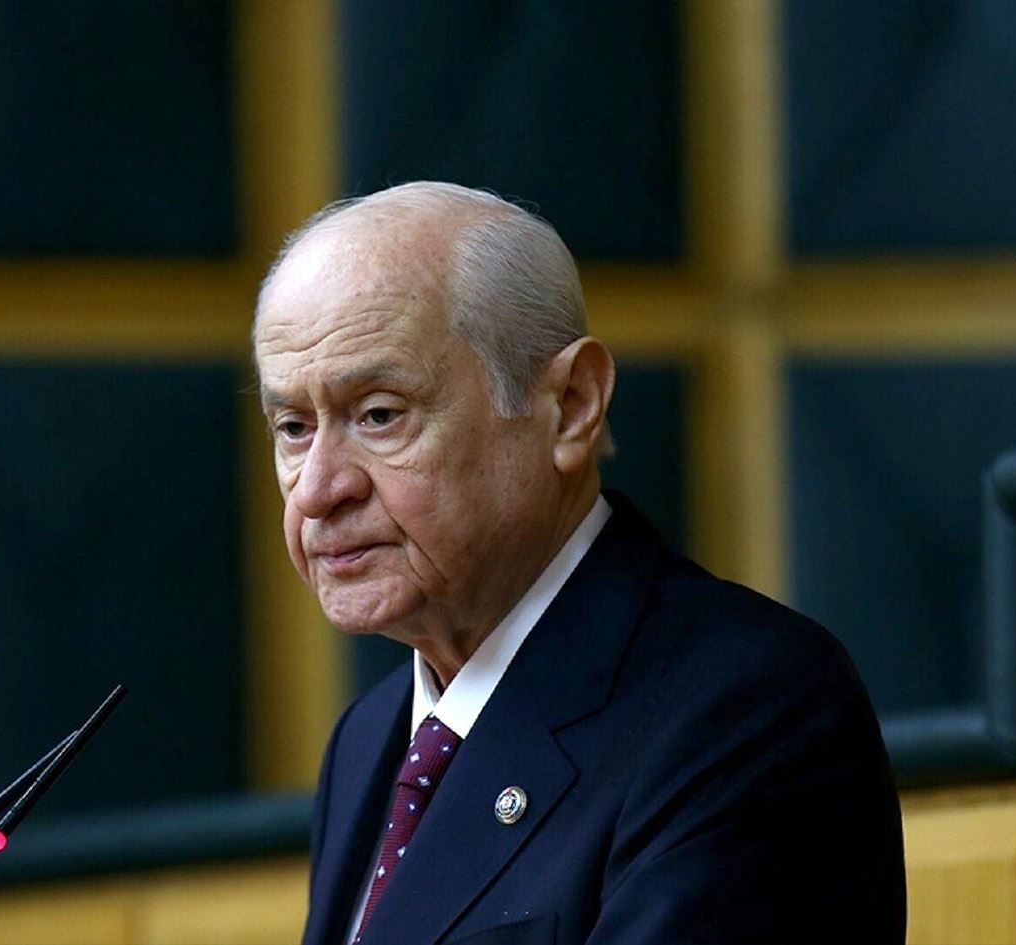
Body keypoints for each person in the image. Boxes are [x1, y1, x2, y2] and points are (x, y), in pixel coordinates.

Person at [253, 181, 905, 945]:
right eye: (293, 427)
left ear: (569, 405)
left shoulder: (746, 708)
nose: (318, 489)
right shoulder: (369, 739)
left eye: (379, 415)